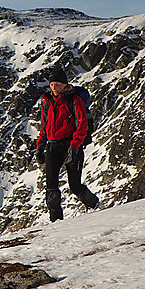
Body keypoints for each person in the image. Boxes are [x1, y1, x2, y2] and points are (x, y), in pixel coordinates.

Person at [35, 69, 100, 221]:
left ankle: (96, 205)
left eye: (57, 85)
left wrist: (74, 146)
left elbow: (82, 126)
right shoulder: (47, 103)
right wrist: (39, 147)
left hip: (70, 146)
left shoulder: (74, 100)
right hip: (52, 147)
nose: (54, 88)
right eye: (51, 85)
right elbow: (44, 128)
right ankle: (56, 221)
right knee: (51, 187)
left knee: (75, 185)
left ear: (64, 85)